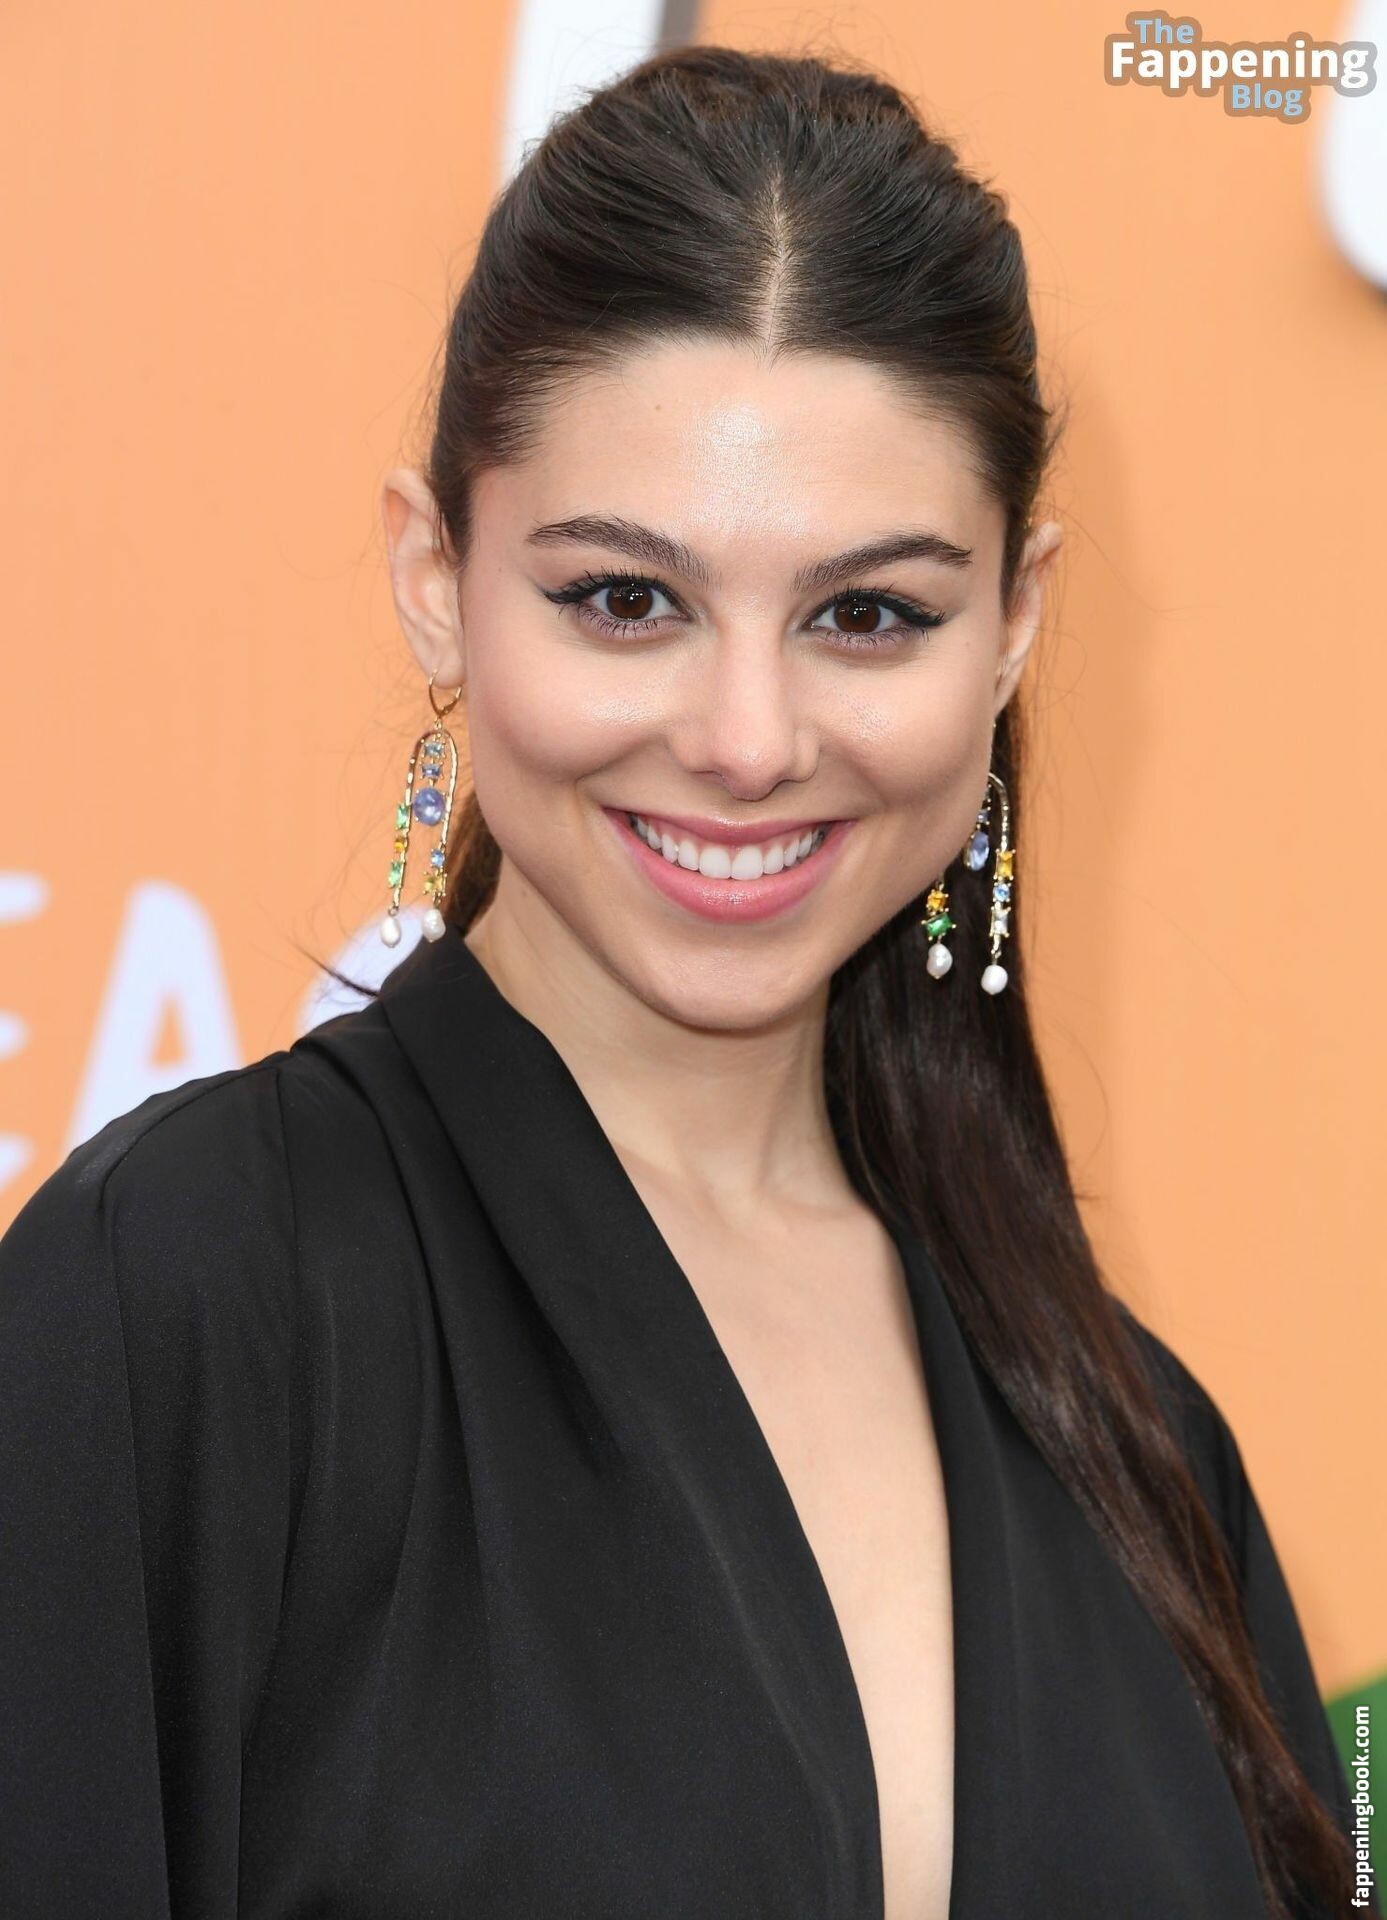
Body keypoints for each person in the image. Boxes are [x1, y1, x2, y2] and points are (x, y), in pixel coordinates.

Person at [0, 43, 1369, 1920]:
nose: (746, 740)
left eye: (867, 615)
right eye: (626, 599)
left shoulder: (1143, 1449)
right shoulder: (183, 1299)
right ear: (434, 574)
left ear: (1014, 624)